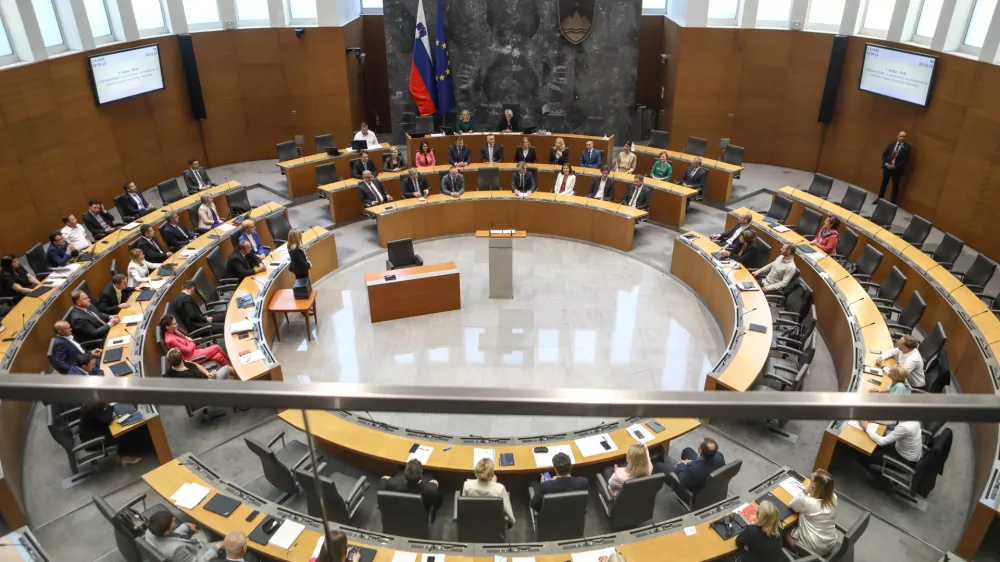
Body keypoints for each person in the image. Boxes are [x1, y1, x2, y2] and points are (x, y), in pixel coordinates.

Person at [787, 469, 838, 556]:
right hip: (829, 543)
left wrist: (806, 491)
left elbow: (793, 505)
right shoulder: (834, 498)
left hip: (814, 549)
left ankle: (798, 554)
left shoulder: (807, 502)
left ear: (814, 485)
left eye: (812, 477)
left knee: (785, 531)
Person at [79, 401, 144, 466]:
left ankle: (122, 454)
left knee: (120, 428)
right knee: (123, 431)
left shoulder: (90, 402)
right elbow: (107, 419)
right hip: (93, 441)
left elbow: (102, 416)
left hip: (91, 435)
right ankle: (125, 457)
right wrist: (108, 405)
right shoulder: (93, 406)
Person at [654, 438, 724, 495]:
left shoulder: (693, 470)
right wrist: (691, 462)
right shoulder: (720, 456)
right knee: (687, 451)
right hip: (706, 479)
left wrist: (682, 464)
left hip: (691, 491)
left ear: (700, 452)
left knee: (658, 466)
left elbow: (681, 479)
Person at [379, 459, 443, 520]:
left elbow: (382, 483)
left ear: (404, 474)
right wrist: (433, 483)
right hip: (418, 519)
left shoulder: (390, 484)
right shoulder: (429, 491)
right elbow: (435, 483)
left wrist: (385, 479)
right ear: (421, 476)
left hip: (395, 518)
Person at [144, 512, 221, 562]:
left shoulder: (150, 531)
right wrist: (217, 547)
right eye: (172, 522)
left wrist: (186, 526)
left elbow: (169, 537)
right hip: (198, 553)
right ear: (166, 531)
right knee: (226, 542)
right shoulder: (176, 549)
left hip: (189, 546)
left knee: (205, 525)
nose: (174, 519)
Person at [160, 314, 231, 367]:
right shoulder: (170, 340)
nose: (177, 324)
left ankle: (232, 371)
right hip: (190, 358)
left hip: (194, 351)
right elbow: (187, 350)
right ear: (167, 327)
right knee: (216, 347)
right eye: (174, 324)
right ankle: (232, 363)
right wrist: (191, 341)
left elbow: (186, 338)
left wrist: (189, 341)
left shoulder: (174, 330)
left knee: (218, 356)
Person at [462, 457, 515, 524]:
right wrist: (512, 521)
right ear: (492, 474)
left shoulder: (467, 485)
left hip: (472, 522)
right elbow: (508, 512)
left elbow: (463, 506)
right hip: (493, 524)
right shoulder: (499, 488)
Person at [877, 131, 909, 204]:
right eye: (900, 136)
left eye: (903, 137)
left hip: (897, 170)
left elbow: (905, 160)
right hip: (887, 168)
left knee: (895, 186)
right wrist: (886, 163)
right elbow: (884, 154)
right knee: (884, 183)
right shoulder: (892, 144)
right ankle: (879, 198)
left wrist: (895, 166)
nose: (902, 138)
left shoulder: (907, 148)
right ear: (898, 136)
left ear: (905, 138)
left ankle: (892, 203)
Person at [165, 347, 231, 380]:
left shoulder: (176, 363)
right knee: (229, 369)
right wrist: (212, 378)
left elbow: (195, 364)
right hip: (208, 387)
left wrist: (208, 374)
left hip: (207, 378)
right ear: (182, 357)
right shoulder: (186, 376)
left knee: (218, 357)